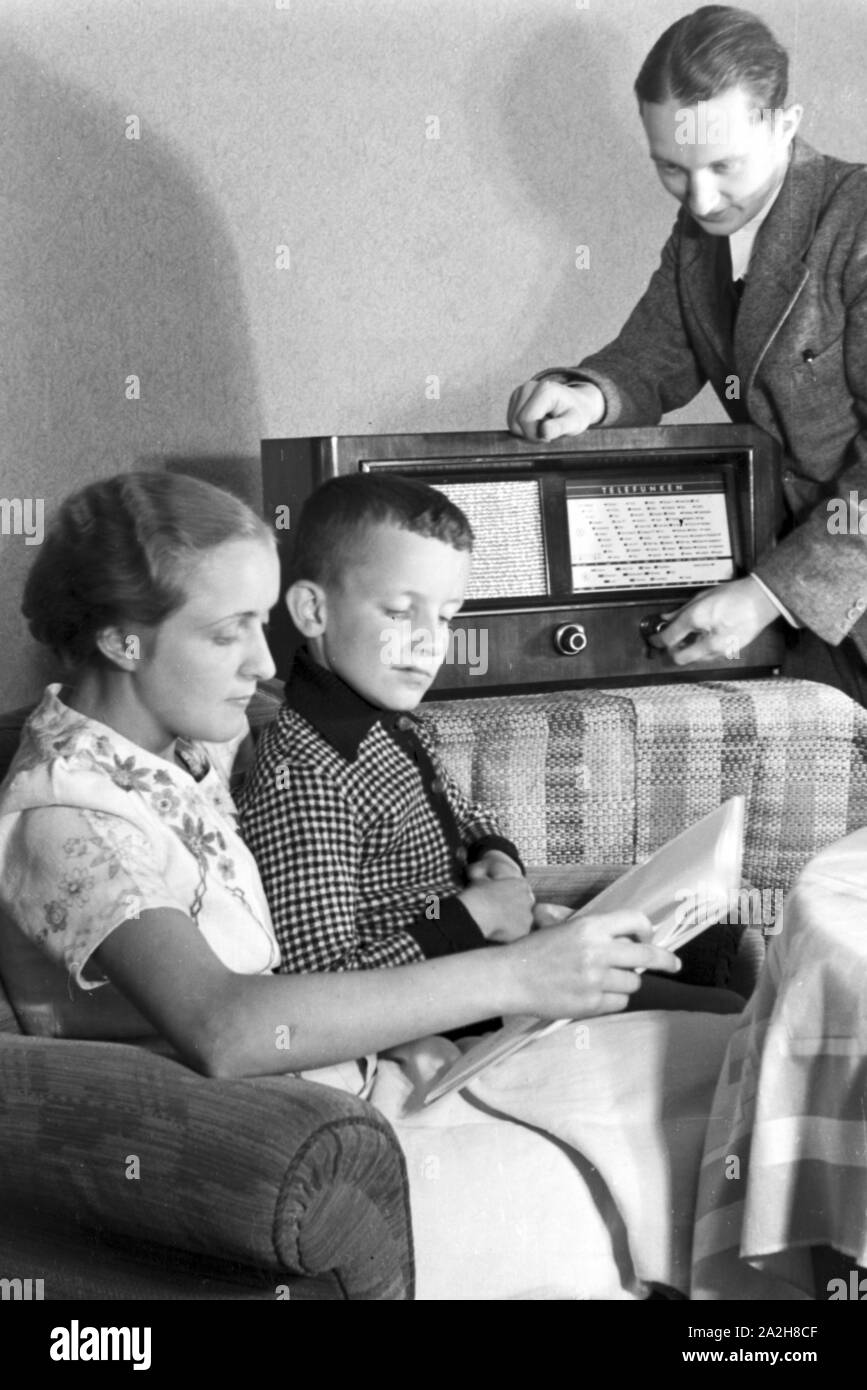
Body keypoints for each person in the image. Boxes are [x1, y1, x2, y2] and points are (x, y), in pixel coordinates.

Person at [0, 469, 742, 1300]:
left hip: (353, 1082)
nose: (259, 656)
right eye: (226, 632)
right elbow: (224, 1028)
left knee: (724, 1066)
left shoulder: (168, 737)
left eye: (262, 619)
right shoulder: (67, 819)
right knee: (671, 1132)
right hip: (256, 1152)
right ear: (122, 641)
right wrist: (516, 971)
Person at [240, 470, 742, 1013]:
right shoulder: (304, 774)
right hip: (453, 1006)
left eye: (446, 616)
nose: (431, 641)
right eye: (398, 612)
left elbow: (464, 811)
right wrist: (474, 917)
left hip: (494, 958)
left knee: (721, 950)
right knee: (726, 1016)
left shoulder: (387, 719)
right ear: (314, 611)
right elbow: (318, 988)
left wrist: (497, 858)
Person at [508, 5, 867, 705]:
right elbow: (653, 353)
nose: (700, 199)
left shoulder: (856, 217)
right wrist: (587, 394)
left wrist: (768, 592)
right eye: (671, 169)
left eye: (723, 166)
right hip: (811, 613)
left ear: (785, 123)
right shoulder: (702, 230)